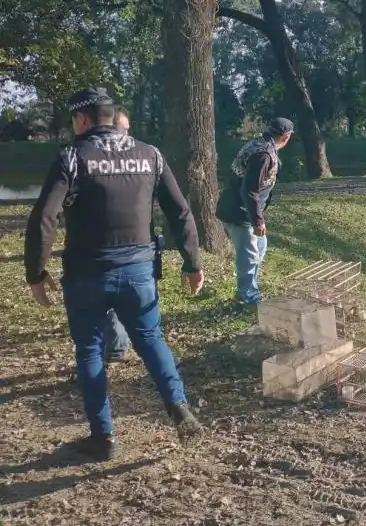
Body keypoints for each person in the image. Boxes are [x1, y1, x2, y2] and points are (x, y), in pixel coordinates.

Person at [25, 87, 205, 461]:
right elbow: (181, 212)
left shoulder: (72, 157)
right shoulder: (150, 155)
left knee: (90, 350)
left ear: (83, 119)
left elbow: (45, 217)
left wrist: (36, 273)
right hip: (139, 271)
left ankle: (103, 437)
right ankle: (178, 406)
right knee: (152, 339)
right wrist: (192, 262)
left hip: (87, 272)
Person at [216, 118, 293, 305]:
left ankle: (250, 288)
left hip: (241, 209)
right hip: (240, 212)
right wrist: (257, 221)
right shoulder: (264, 155)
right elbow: (248, 190)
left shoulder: (258, 144)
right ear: (286, 136)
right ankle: (247, 297)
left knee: (259, 246)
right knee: (249, 255)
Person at [101, 106, 133, 365]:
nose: (126, 135)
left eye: (127, 130)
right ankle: (116, 345)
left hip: (136, 245)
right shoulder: (92, 159)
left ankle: (118, 344)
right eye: (121, 129)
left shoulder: (140, 158)